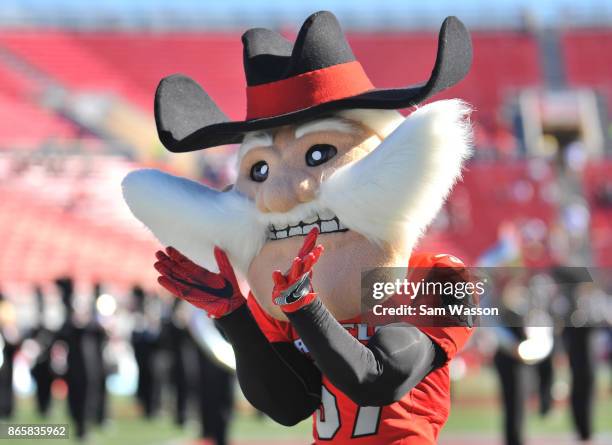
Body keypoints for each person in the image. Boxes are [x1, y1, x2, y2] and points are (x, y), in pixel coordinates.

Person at [123, 10, 475, 444]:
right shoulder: (286, 285)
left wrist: (304, 306)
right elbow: (287, 405)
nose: (281, 194)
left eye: (317, 154)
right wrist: (234, 319)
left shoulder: (440, 276)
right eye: (260, 169)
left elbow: (378, 380)